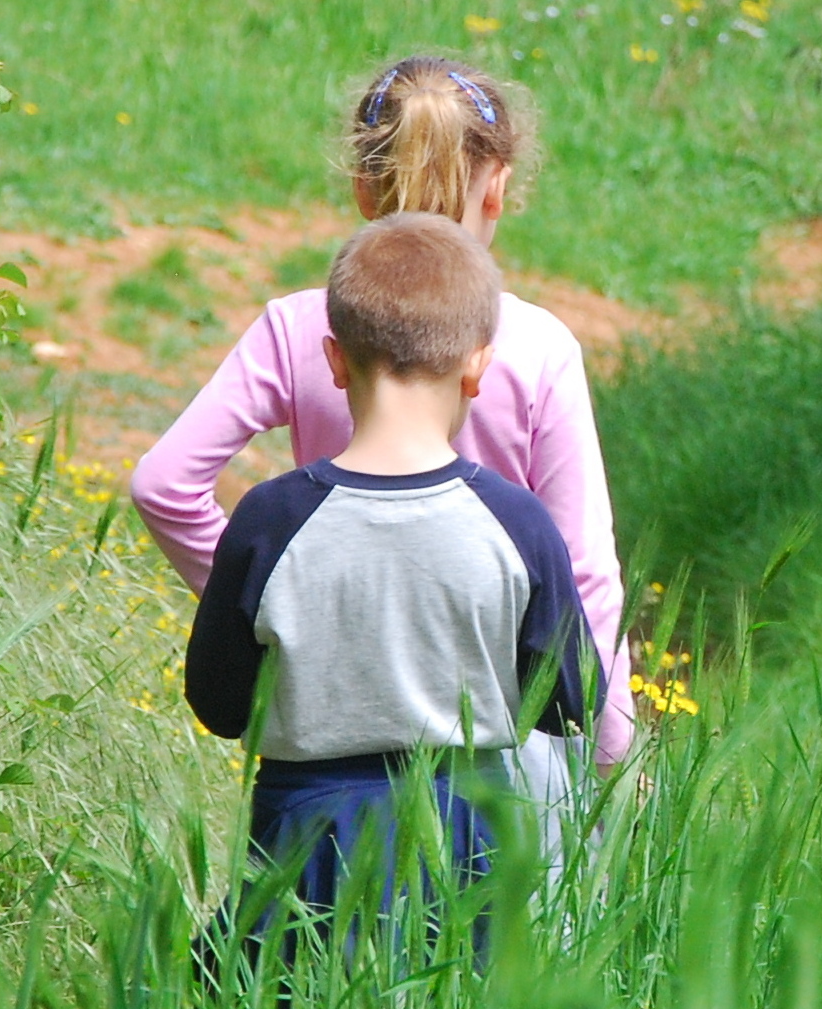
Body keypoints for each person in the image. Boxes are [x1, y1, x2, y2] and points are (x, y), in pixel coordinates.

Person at [130, 56, 633, 801]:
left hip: (335, 725)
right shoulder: (535, 345)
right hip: (507, 735)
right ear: (497, 185)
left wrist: (282, 600)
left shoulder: (307, 328)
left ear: (363, 185)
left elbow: (163, 484)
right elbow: (582, 568)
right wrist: (610, 747)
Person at [184, 211, 605, 967]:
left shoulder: (270, 519)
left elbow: (216, 701)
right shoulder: (516, 522)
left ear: (335, 360)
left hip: (306, 840)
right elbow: (575, 700)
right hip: (469, 838)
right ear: (478, 365)